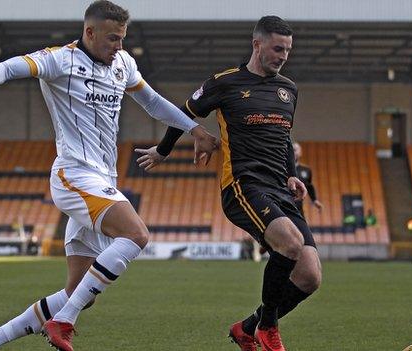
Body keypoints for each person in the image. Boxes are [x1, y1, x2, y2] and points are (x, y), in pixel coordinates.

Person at [0, 2, 218, 351]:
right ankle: (63, 321)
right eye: (112, 39)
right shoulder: (60, 60)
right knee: (136, 234)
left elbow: (152, 102)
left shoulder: (123, 64)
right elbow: (15, 65)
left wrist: (193, 128)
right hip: (74, 174)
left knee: (79, 293)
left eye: (122, 38)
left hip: (103, 178)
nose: (119, 46)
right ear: (89, 32)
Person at [135, 16, 321, 351]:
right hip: (242, 184)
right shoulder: (225, 82)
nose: (283, 56)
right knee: (291, 246)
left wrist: (292, 173)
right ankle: (267, 329)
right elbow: (185, 111)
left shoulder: (289, 90)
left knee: (310, 276)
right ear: (257, 44)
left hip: (280, 188)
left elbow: (283, 136)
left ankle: (246, 328)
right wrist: (162, 151)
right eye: (278, 48)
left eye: (288, 50)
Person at [292, 142, 323, 216]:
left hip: (298, 207)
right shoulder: (282, 169)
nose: (294, 152)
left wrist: (314, 200)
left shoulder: (306, 170)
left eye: (296, 150)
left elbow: (309, 186)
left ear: (300, 152)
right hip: (282, 206)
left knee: (302, 227)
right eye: (292, 150)